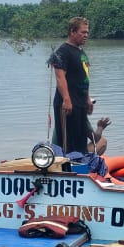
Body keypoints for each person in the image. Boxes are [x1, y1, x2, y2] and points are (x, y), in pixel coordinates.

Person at [47, 16, 94, 153]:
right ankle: (66, 170)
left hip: (80, 103)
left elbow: (84, 77)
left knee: (80, 141)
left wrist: (88, 99)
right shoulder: (63, 52)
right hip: (68, 105)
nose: (86, 35)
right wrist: (66, 100)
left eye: (87, 32)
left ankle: (81, 168)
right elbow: (60, 77)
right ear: (72, 32)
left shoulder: (81, 52)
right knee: (68, 143)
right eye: (83, 32)